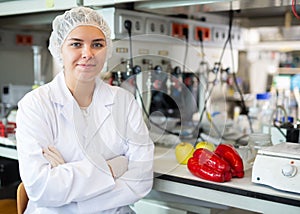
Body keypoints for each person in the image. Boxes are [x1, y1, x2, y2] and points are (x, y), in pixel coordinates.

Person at [16, 6, 154, 214]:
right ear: (59, 49)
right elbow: (41, 188)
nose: (87, 54)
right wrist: (113, 167)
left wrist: (69, 187)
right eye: (76, 44)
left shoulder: (124, 102)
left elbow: (140, 180)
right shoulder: (35, 105)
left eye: (97, 44)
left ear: (107, 50)